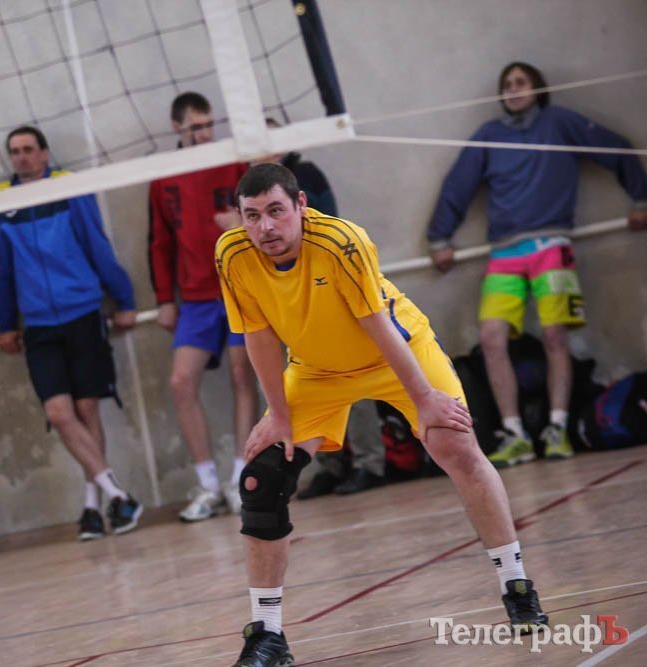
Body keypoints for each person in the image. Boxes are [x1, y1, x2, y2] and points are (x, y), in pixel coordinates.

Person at [218, 164, 548, 666]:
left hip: (397, 353)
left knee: (455, 444)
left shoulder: (341, 242)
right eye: (252, 215)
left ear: (301, 205)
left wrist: (425, 400)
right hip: (317, 370)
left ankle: (516, 585)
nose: (265, 227)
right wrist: (279, 417)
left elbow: (378, 325)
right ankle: (268, 635)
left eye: (276, 211)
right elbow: (258, 336)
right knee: (262, 479)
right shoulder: (233, 254)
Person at [427, 61, 647, 468]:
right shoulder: (489, 136)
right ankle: (515, 434)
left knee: (554, 335)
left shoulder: (559, 122)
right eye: (507, 84)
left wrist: (640, 198)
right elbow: (458, 184)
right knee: (491, 338)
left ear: (538, 88)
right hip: (504, 254)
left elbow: (613, 147)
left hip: (552, 247)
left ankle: (558, 428)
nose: (513, 89)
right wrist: (440, 238)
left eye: (521, 82)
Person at [0, 126, 143, 539]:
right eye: (14, 151)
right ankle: (118, 495)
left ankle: (92, 506)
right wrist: (6, 324)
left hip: (83, 313)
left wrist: (123, 298)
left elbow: (97, 244)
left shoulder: (68, 187)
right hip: (38, 325)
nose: (21, 157)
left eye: (28, 149)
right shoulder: (0, 202)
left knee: (88, 410)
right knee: (59, 414)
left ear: (44, 153)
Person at [254, 123, 387, 497]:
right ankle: (331, 465)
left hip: (330, 294)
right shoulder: (249, 192)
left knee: (354, 377)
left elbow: (325, 224)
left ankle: (370, 463)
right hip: (289, 302)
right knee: (310, 384)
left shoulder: (306, 175)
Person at [149, 92, 259, 521]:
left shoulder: (235, 163)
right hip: (195, 298)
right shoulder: (163, 177)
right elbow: (159, 242)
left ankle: (242, 478)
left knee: (242, 374)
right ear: (177, 127)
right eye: (196, 127)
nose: (205, 133)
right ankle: (208, 484)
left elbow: (264, 218)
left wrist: (240, 224)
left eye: (209, 124)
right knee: (181, 382)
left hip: (239, 289)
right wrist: (164, 299)